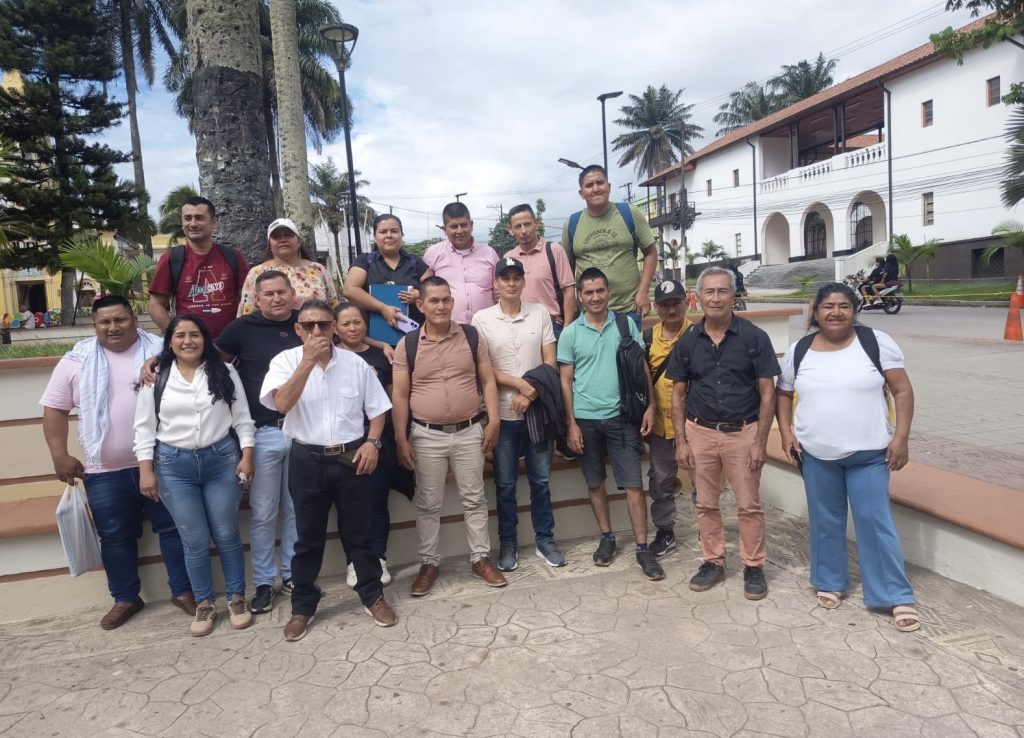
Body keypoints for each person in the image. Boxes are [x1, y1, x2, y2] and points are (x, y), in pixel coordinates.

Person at [40, 294, 194, 630]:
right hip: (104, 470)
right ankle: (125, 598)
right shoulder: (76, 361)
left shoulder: (164, 351)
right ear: (94, 326)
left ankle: (183, 591)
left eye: (120, 319)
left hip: (163, 462)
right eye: (105, 322)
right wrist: (59, 455)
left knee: (174, 528)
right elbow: (54, 409)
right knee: (114, 536)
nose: (113, 327)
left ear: (135, 320)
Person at [776, 283, 920, 632]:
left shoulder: (876, 343)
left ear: (855, 310)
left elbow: (902, 390)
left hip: (868, 454)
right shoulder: (800, 350)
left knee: (874, 521)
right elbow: (783, 393)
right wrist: (786, 432)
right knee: (825, 521)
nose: (835, 312)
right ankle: (829, 581)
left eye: (843, 306)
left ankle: (893, 594)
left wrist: (901, 438)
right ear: (816, 312)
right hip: (816, 454)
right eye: (828, 306)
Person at [260, 299, 396, 641]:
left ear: (334, 327)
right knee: (307, 538)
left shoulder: (356, 364)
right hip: (306, 459)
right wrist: (307, 362)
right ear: (298, 329)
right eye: (309, 325)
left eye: (323, 324)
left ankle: (372, 595)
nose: (317, 331)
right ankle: (303, 607)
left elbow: (378, 409)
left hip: (352, 457)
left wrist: (373, 442)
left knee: (361, 533)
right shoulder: (284, 362)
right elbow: (281, 403)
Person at [133, 315, 256, 637]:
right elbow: (144, 429)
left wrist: (247, 456)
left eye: (195, 335)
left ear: (205, 339)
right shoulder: (156, 377)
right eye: (180, 335)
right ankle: (204, 603)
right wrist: (146, 471)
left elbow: (242, 419)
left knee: (227, 533)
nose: (188, 341)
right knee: (194, 539)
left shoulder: (224, 372)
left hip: (221, 461)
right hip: (173, 466)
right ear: (170, 341)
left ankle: (236, 598)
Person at [668, 266, 779, 600]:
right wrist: (681, 442)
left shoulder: (754, 338)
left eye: (722, 291)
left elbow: (768, 392)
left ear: (733, 295)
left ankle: (753, 566)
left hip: (743, 433)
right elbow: (678, 395)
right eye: (709, 292)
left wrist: (760, 441)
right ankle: (713, 561)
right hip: (700, 432)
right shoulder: (688, 341)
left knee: (749, 505)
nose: (715, 298)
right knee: (705, 504)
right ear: (697, 297)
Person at [391, 276, 506, 595]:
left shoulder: (471, 336)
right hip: (426, 435)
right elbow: (400, 395)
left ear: (452, 302)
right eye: (434, 300)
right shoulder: (407, 344)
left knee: (475, 498)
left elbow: (488, 381)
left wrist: (494, 420)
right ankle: (429, 564)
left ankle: (481, 559)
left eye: (446, 299)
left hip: (470, 430)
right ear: (420, 305)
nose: (441, 306)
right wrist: (400, 438)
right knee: (429, 503)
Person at [557, 267, 663, 581]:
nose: (595, 297)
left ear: (609, 292)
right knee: (594, 482)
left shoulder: (625, 324)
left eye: (600, 291)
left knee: (633, 485)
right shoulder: (570, 333)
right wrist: (571, 424)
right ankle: (606, 537)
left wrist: (651, 406)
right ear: (579, 296)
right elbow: (565, 382)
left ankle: (642, 547)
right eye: (588, 292)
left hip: (622, 418)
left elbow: (642, 369)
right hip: (585, 420)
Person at [215, 270, 303, 615]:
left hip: (302, 430)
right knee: (264, 512)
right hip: (263, 433)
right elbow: (210, 361)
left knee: (295, 509)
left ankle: (293, 575)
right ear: (256, 298)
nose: (276, 299)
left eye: (282, 292)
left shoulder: (306, 324)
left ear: (292, 294)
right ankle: (265, 582)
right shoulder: (240, 329)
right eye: (269, 294)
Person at [472, 256, 565, 572]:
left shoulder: (539, 313)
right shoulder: (482, 319)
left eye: (516, 277)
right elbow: (484, 368)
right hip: (502, 417)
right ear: (496, 283)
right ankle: (508, 545)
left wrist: (530, 393)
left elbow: (549, 361)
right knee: (505, 485)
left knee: (541, 480)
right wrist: (519, 385)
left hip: (537, 414)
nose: (511, 283)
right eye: (505, 278)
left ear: (523, 282)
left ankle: (545, 540)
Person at [333, 301, 398, 587]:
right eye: (345, 324)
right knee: (348, 506)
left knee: (377, 501)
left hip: (377, 438)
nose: (352, 328)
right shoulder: (330, 356)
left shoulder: (380, 356)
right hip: (343, 442)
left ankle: (378, 557)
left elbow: (391, 400)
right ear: (335, 328)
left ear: (365, 325)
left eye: (357, 322)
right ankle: (354, 562)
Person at [562, 165, 657, 330]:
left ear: (609, 186)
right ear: (581, 193)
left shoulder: (629, 213)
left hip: (627, 309)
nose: (596, 188)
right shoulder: (572, 224)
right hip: (588, 314)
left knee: (630, 348)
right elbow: (567, 271)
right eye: (589, 185)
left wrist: (643, 292)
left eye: (600, 182)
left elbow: (650, 253)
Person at [148, 196, 249, 339]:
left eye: (199, 218)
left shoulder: (233, 257)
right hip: (190, 346)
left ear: (213, 222)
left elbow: (247, 300)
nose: (193, 224)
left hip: (231, 344)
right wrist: (178, 336)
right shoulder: (172, 259)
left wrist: (241, 336)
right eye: (187, 218)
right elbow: (155, 305)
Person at [644, 279, 692, 557]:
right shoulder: (647, 339)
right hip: (661, 425)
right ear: (656, 308)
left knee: (703, 479)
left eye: (676, 303)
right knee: (661, 480)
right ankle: (665, 531)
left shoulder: (699, 335)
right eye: (665, 305)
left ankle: (709, 530)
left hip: (695, 423)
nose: (671, 310)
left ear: (686, 303)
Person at [343, 213, 431, 330]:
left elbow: (434, 291)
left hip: (414, 333)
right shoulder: (365, 261)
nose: (389, 235)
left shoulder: (416, 262)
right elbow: (349, 290)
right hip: (374, 334)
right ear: (375, 237)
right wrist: (383, 308)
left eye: (394, 231)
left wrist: (420, 295)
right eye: (383, 232)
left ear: (402, 235)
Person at [237, 218, 339, 317]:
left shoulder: (318, 270)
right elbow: (247, 313)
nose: (283, 240)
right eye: (276, 237)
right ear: (269, 244)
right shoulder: (256, 273)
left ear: (298, 241)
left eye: (288, 235)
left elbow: (334, 307)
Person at [504, 203, 576, 338]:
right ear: (510, 229)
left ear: (536, 223)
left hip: (551, 325)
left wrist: (567, 328)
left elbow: (568, 290)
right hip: (519, 326)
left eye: (527, 224)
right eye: (518, 226)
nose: (523, 230)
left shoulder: (554, 250)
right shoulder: (508, 258)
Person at [423, 202, 499, 324]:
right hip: (448, 328)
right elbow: (425, 290)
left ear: (471, 225)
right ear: (445, 229)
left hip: (487, 326)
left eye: (464, 225)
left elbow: (499, 292)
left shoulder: (489, 253)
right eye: (454, 226)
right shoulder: (433, 254)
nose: (460, 231)